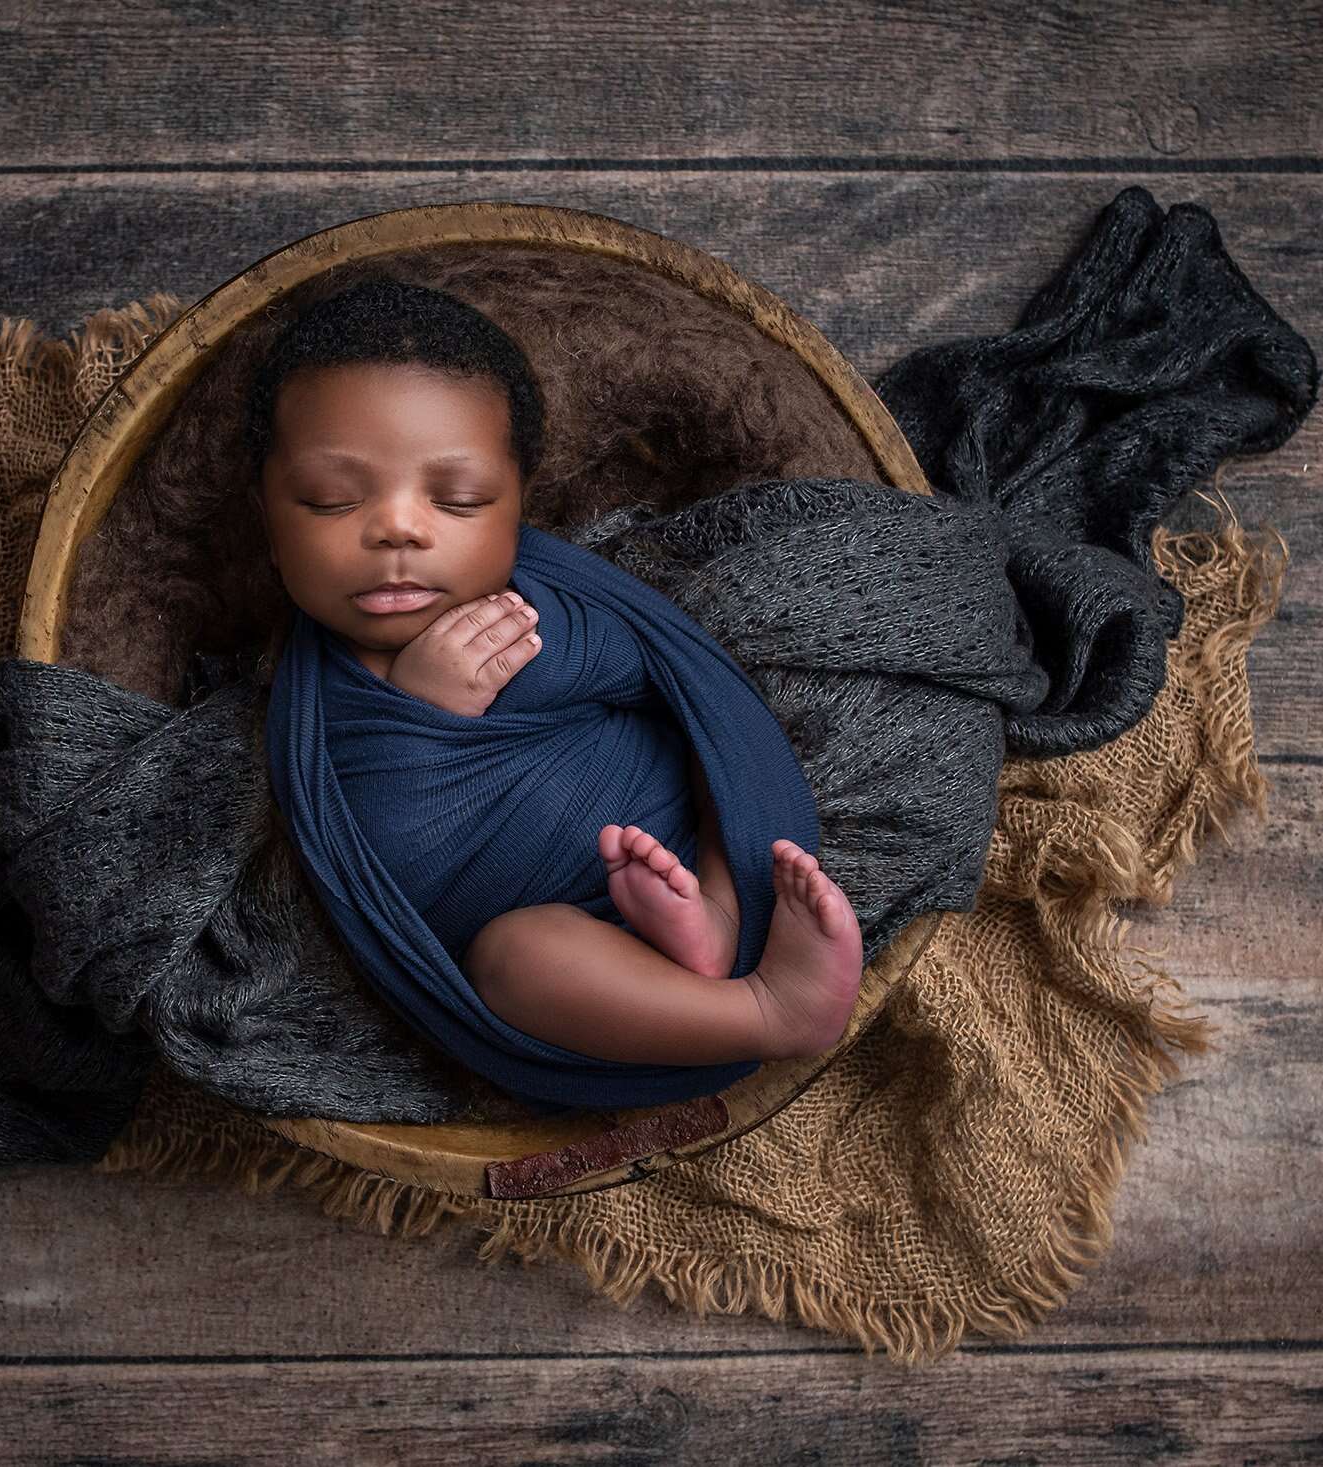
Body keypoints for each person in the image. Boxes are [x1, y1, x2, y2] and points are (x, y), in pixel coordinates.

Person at [246, 279, 864, 1069]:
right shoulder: (304, 701)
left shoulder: (547, 599)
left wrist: (556, 664)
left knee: (715, 744)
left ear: (518, 507)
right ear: (268, 521)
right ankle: (765, 1012)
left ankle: (714, 904)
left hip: (683, 831)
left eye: (460, 499)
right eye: (331, 500)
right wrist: (419, 719)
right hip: (564, 947)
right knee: (514, 960)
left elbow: (672, 676)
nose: (398, 527)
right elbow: (367, 867)